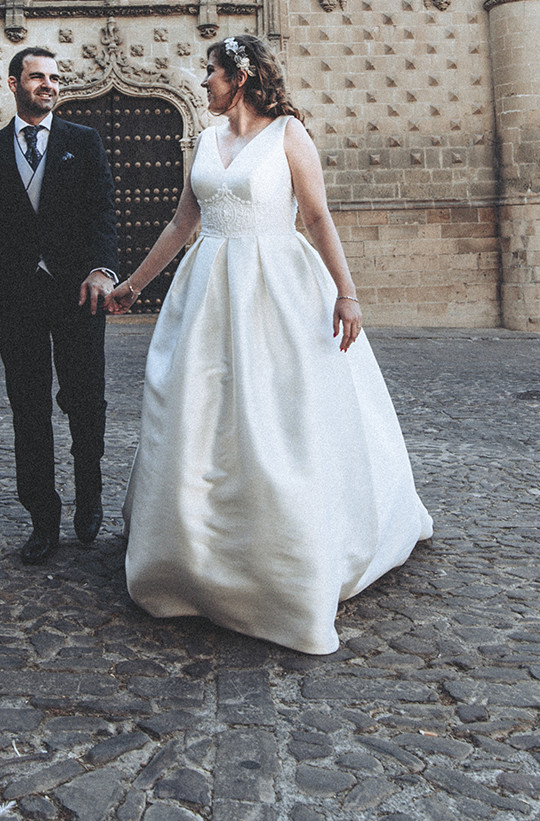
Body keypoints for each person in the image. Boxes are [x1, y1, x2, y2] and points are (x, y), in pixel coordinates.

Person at [106, 34, 432, 654]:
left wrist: (347, 293)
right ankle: (191, 558)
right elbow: (183, 223)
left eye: (212, 72)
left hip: (277, 286)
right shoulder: (205, 141)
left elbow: (317, 217)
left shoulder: (288, 135)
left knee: (279, 416)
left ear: (242, 77)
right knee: (199, 415)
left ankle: (284, 560)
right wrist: (134, 286)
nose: (203, 82)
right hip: (206, 293)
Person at [0, 46, 120, 564]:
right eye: (37, 77)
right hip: (17, 300)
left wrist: (102, 269)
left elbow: (103, 215)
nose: (49, 84)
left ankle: (89, 491)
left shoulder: (84, 142)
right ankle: (42, 518)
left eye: (54, 77)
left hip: (79, 297)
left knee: (85, 401)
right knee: (28, 410)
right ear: (13, 84)